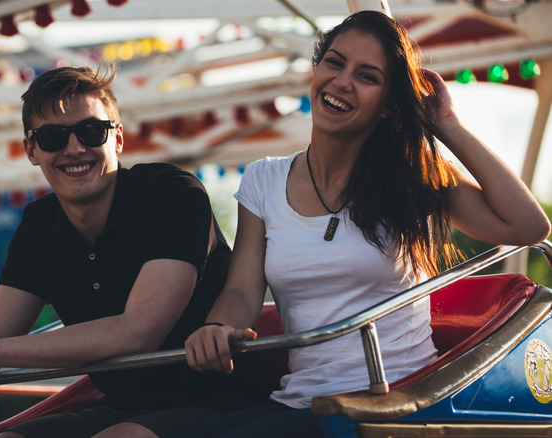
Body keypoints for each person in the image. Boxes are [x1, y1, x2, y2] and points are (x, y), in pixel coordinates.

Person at [174, 10, 551, 438]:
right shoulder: (263, 180)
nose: (342, 82)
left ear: (390, 105)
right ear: (316, 70)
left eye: (367, 76)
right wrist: (216, 328)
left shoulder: (413, 176)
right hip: (305, 399)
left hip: (396, 399)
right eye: (334, 63)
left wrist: (447, 126)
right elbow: (241, 291)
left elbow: (528, 227)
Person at [0, 66, 271, 438]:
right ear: (31, 150)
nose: (74, 149)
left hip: (222, 399)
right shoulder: (39, 224)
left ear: (117, 138)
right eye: (53, 137)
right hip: (120, 406)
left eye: (91, 131)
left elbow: (138, 332)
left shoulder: (172, 193)